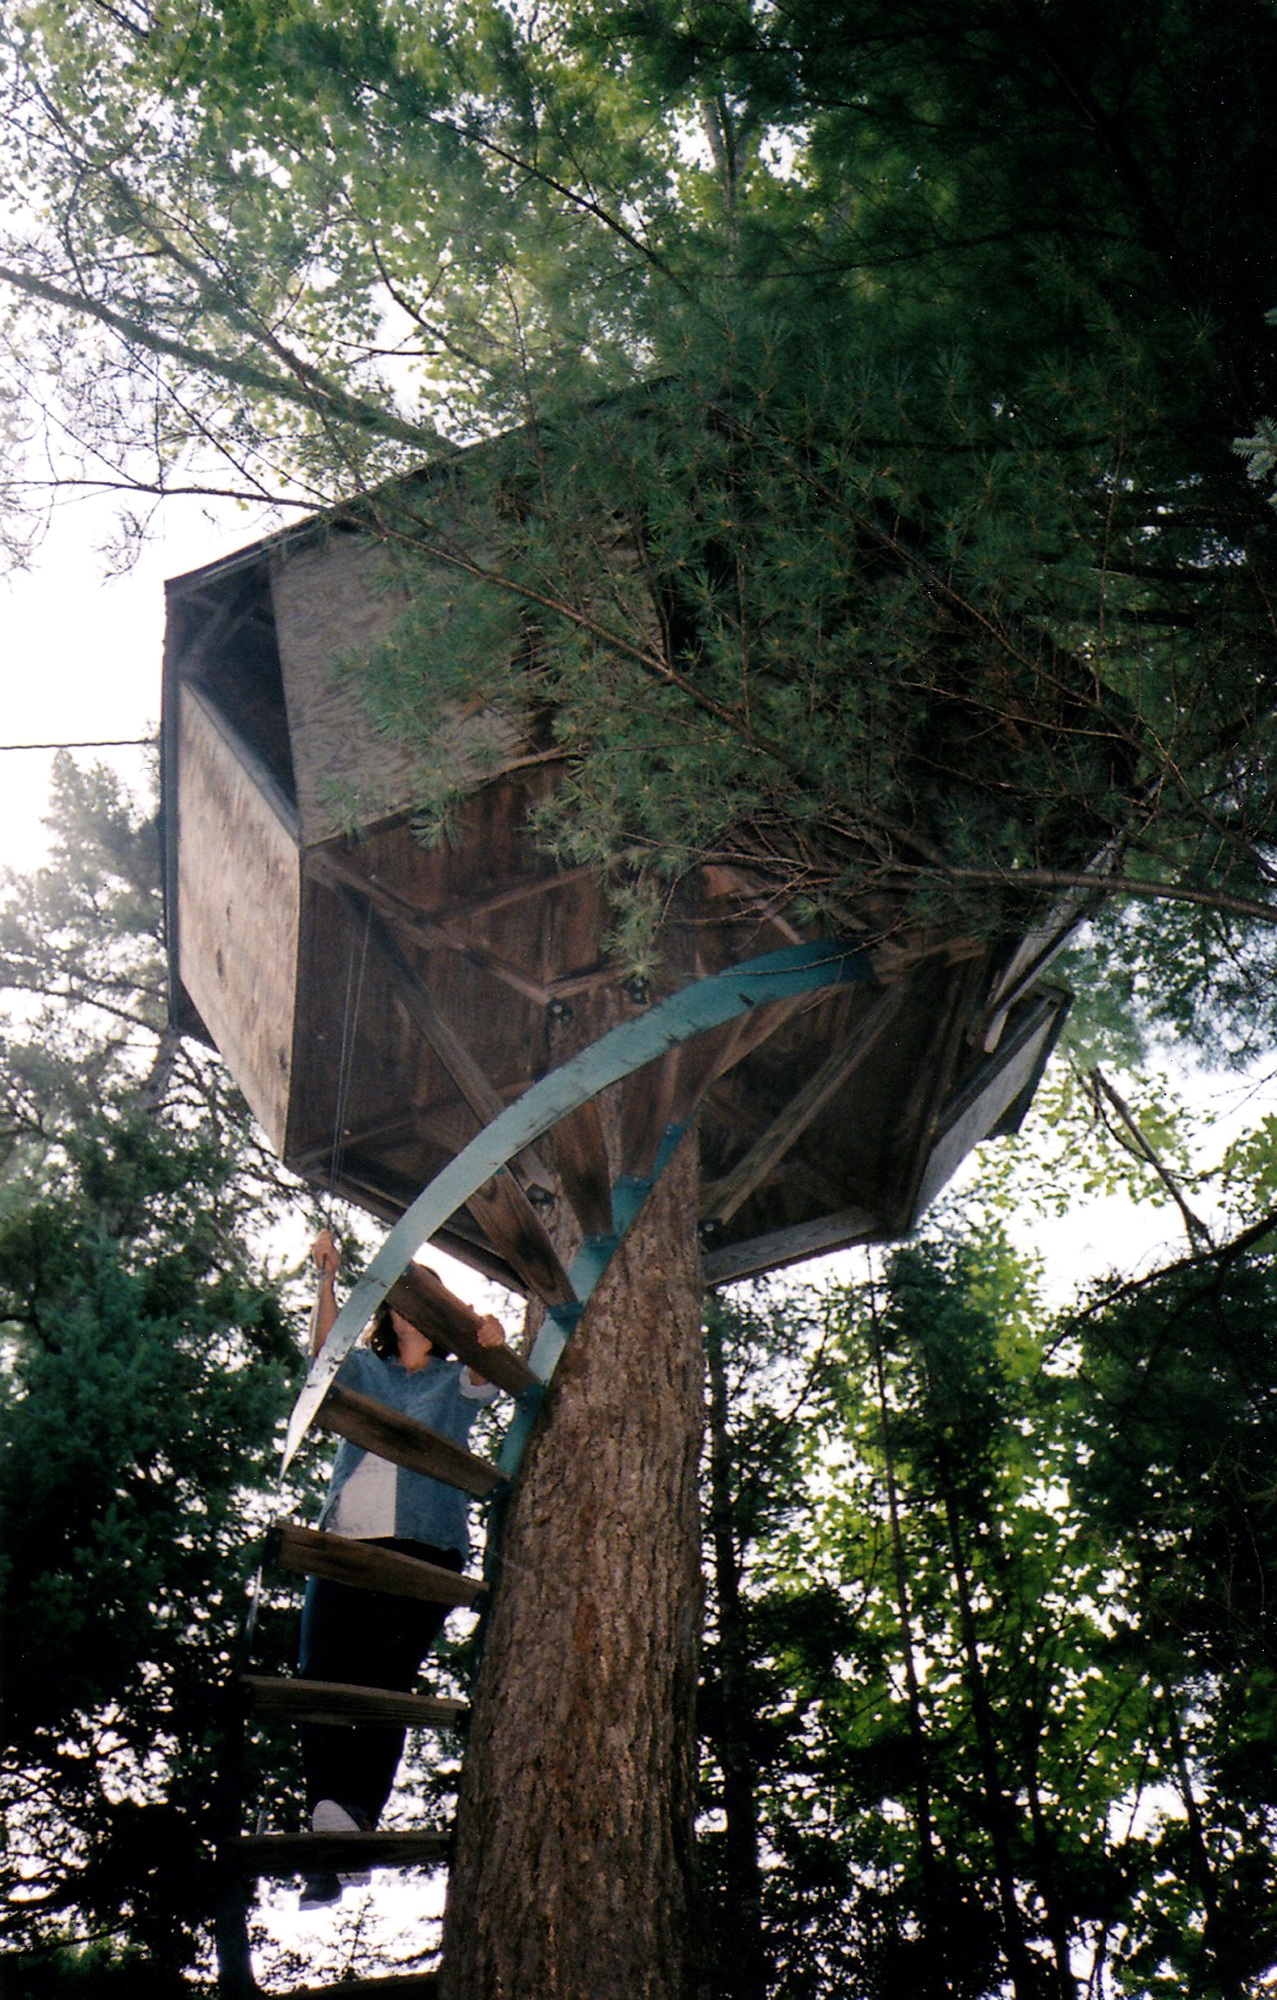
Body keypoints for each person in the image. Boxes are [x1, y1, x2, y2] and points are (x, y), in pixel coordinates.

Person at [297, 1228, 506, 1910]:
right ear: (387, 1313)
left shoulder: (452, 1380)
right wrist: (326, 1278)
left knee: (382, 1681)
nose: (406, 1310)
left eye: (422, 1301)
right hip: (342, 1543)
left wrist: (490, 1333)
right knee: (320, 1680)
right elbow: (324, 1356)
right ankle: (330, 1832)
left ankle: (356, 1816)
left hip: (420, 1546)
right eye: (398, 1300)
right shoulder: (369, 1372)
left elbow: (486, 1371)